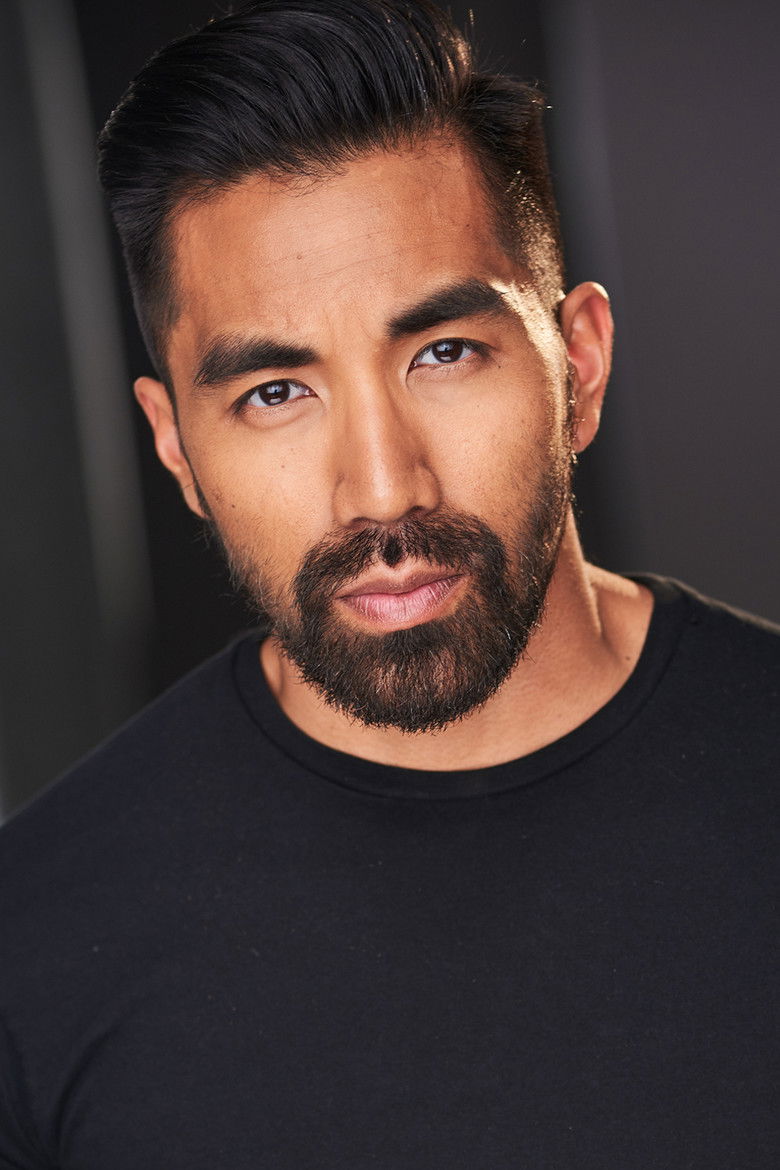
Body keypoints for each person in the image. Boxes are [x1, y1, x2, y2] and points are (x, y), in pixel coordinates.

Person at [0, 1, 777, 1166]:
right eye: (275, 393)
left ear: (579, 366)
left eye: (443, 353)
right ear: (176, 449)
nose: (380, 489)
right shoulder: (34, 941)